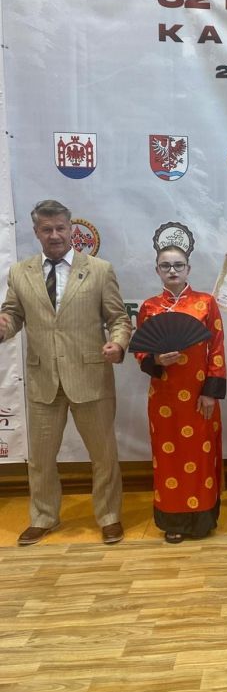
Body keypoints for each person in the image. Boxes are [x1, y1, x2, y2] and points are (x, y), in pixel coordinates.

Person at [0, 199, 131, 545]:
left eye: (60, 228)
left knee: (104, 456)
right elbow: (13, 314)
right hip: (43, 379)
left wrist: (118, 345)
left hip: (91, 377)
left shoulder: (99, 269)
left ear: (71, 228)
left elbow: (118, 318)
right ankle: (43, 517)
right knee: (41, 459)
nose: (55, 235)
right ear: (36, 232)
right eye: (47, 229)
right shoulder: (20, 272)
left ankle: (110, 516)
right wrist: (4, 325)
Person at [135, 245, 226, 543]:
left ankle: (202, 519)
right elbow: (140, 351)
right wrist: (156, 360)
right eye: (165, 266)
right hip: (164, 396)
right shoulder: (149, 307)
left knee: (200, 455)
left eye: (178, 265)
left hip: (199, 395)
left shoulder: (206, 303)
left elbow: (217, 349)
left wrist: (210, 392)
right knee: (168, 458)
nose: (172, 270)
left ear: (188, 268)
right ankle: (172, 519)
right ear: (157, 270)